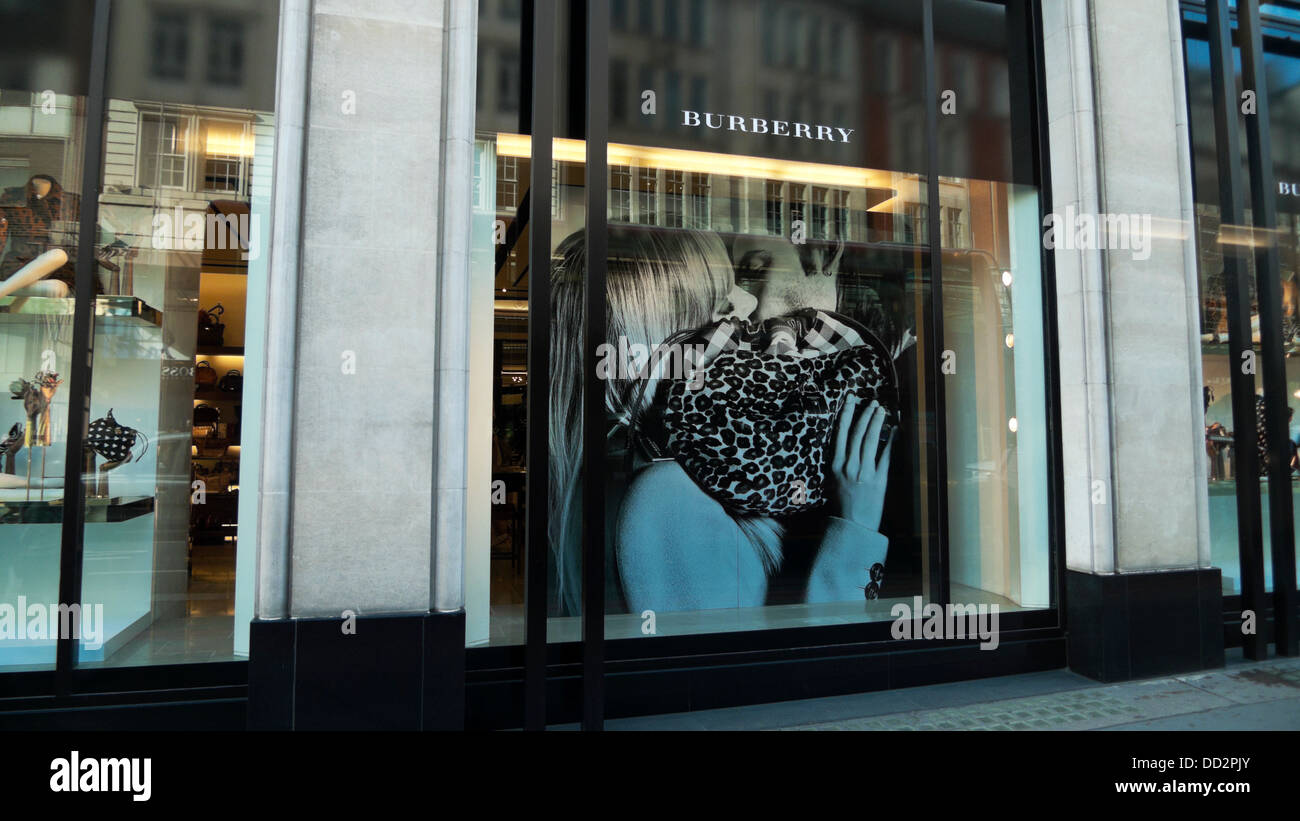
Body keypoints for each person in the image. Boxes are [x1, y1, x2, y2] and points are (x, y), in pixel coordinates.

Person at [548, 225, 895, 616]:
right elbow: (763, 672)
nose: (749, 313)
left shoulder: (644, 469)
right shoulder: (664, 498)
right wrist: (856, 525)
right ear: (661, 337)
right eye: (722, 307)